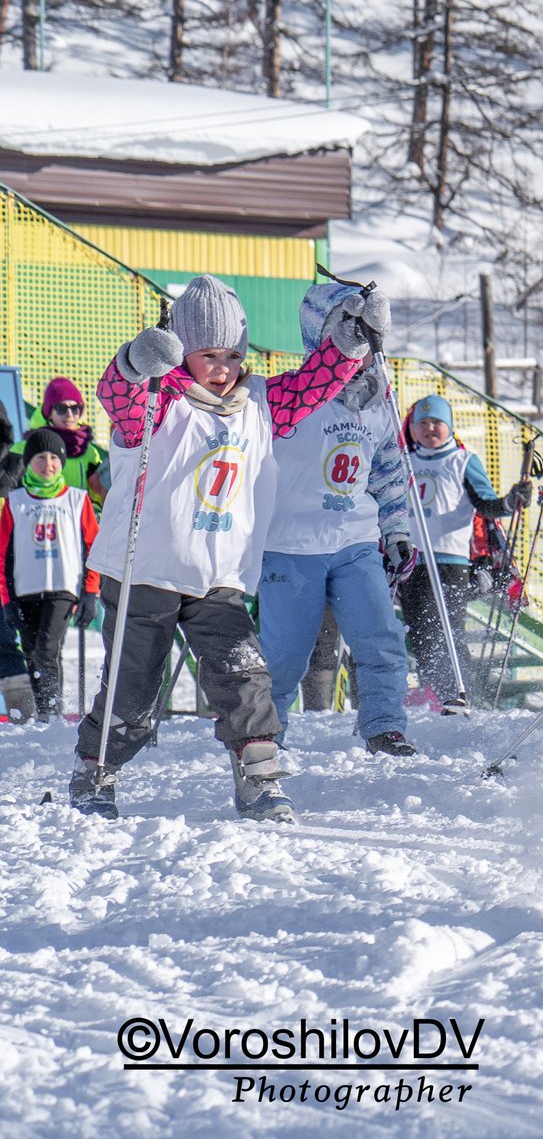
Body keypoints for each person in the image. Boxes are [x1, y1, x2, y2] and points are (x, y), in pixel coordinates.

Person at [70, 274, 380, 821]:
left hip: (220, 575)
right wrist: (133, 364)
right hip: (146, 570)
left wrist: (350, 345)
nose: (223, 367)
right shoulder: (158, 401)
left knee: (244, 676)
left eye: (233, 354)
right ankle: (97, 768)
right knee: (134, 683)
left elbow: (313, 385)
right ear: (183, 353)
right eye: (208, 354)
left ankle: (259, 776)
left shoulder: (259, 402)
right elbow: (118, 396)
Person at [258, 282, 424, 755]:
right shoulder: (288, 397)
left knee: (381, 637)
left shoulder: (379, 402)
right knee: (286, 655)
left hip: (355, 541)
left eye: (368, 339)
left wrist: (396, 531)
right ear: (322, 339)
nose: (360, 351)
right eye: (348, 336)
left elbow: (390, 472)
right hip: (291, 544)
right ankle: (264, 737)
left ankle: (384, 724)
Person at [402, 393, 529, 709]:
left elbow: (486, 503)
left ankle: (461, 693)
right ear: (413, 428)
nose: (430, 429)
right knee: (420, 634)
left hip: (449, 562)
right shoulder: (404, 461)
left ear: (450, 426)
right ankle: (435, 693)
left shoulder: (462, 460)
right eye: (423, 423)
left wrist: (510, 502)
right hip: (412, 562)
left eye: (437, 423)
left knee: (447, 631)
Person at [0, 428, 99, 720]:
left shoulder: (77, 500)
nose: (48, 463)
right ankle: (44, 709)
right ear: (29, 462)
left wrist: (91, 591)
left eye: (54, 457)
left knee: (46, 648)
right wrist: (7, 600)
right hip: (25, 589)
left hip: (63, 587)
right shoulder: (16, 502)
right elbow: (3, 554)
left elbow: (93, 548)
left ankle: (50, 712)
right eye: (40, 457)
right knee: (30, 650)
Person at [26, 379, 109, 503]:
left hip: (75, 519)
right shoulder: (29, 447)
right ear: (49, 414)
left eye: (75, 408)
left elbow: (95, 499)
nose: (70, 415)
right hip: (40, 519)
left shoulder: (88, 452)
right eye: (61, 408)